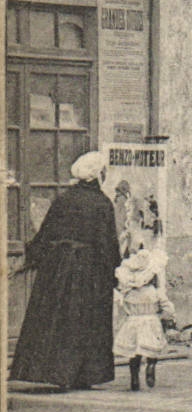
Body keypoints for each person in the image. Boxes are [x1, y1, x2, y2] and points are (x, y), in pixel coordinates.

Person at [9, 150, 120, 390]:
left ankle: (56, 374)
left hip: (57, 269)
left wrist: (29, 261)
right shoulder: (102, 203)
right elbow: (108, 244)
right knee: (85, 321)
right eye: (104, 170)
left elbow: (46, 235)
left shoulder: (63, 199)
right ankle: (82, 376)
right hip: (89, 271)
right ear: (98, 174)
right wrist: (115, 272)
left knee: (59, 319)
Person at [113, 248, 174, 391]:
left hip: (133, 323)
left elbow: (122, 309)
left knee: (134, 353)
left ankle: (134, 377)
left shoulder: (128, 294)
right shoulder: (155, 292)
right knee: (151, 350)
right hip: (151, 323)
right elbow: (167, 307)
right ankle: (151, 366)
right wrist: (167, 317)